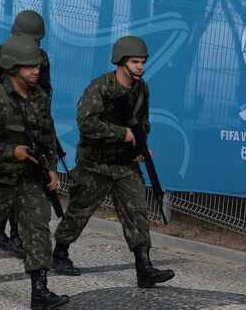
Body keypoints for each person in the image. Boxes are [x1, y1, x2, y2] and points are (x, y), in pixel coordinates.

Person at [52, 36, 175, 289]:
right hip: (94, 165)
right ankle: (60, 253)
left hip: (124, 165)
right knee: (79, 211)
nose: (140, 67)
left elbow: (143, 123)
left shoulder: (143, 89)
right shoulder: (101, 88)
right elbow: (86, 123)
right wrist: (123, 134)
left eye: (142, 62)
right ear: (121, 62)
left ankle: (144, 268)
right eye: (135, 62)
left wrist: (140, 146)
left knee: (136, 212)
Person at [0, 35, 69, 310]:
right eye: (29, 66)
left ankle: (39, 289)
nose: (36, 70)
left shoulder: (40, 98)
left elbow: (47, 137)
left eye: (37, 66)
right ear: (12, 69)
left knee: (37, 227)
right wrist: (11, 151)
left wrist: (52, 168)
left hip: (28, 180)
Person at [0, 10, 51, 257]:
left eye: (36, 42)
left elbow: (45, 92)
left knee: (28, 180)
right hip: (0, 128)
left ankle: (20, 236)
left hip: (30, 127)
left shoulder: (41, 59)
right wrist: (7, 102)